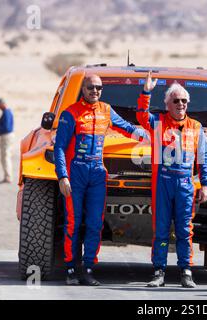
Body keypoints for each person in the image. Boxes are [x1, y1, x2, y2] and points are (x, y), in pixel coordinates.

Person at [54, 74, 146, 286]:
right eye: (90, 87)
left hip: (97, 172)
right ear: (83, 89)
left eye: (98, 87)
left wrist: (148, 134)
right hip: (75, 172)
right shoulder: (70, 114)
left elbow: (127, 127)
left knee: (95, 224)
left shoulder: (106, 110)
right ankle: (70, 268)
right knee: (73, 223)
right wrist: (62, 176)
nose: (95, 91)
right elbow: (59, 147)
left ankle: (88, 269)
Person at [137, 71, 207, 288]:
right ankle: (158, 271)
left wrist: (205, 184)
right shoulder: (158, 122)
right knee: (160, 229)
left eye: (184, 101)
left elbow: (203, 159)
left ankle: (186, 271)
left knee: (184, 229)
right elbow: (142, 116)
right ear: (168, 103)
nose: (181, 104)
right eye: (176, 101)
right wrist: (145, 93)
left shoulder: (196, 127)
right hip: (162, 182)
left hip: (185, 185)